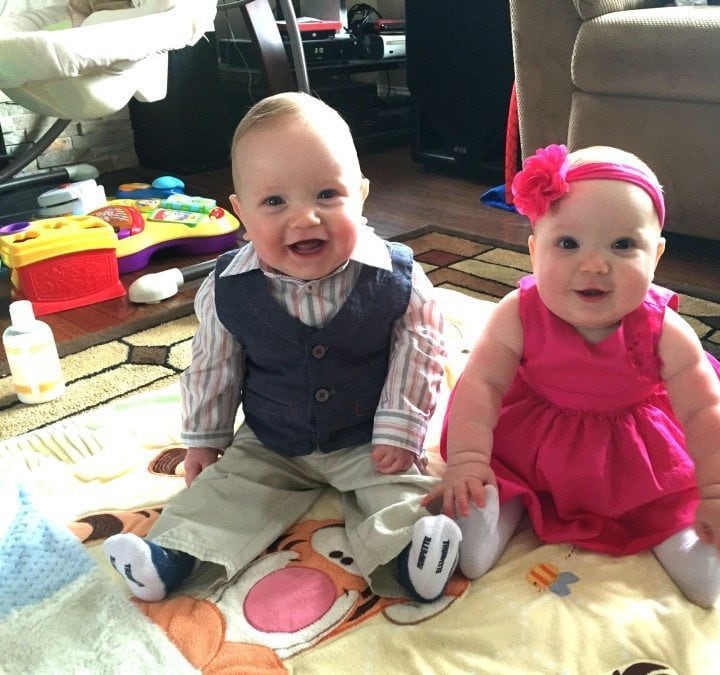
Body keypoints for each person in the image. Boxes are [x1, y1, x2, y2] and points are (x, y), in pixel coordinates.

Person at [104, 92, 460, 604]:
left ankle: (410, 559)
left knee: (401, 489)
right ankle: (171, 557)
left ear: (360, 195)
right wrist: (205, 439)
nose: (305, 218)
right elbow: (213, 366)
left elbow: (421, 349)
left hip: (368, 433)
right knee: (224, 489)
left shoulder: (398, 277)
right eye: (275, 202)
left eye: (327, 195)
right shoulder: (228, 286)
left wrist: (401, 429)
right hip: (271, 437)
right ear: (240, 212)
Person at [423, 144, 720, 607]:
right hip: (535, 443)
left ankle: (697, 553)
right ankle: (492, 513)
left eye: (623, 245)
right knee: (497, 474)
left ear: (656, 255)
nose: (594, 265)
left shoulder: (663, 330)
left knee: (665, 502)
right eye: (567, 244)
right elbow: (482, 384)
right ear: (532, 250)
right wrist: (466, 460)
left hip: (630, 455)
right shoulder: (518, 314)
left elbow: (705, 409)